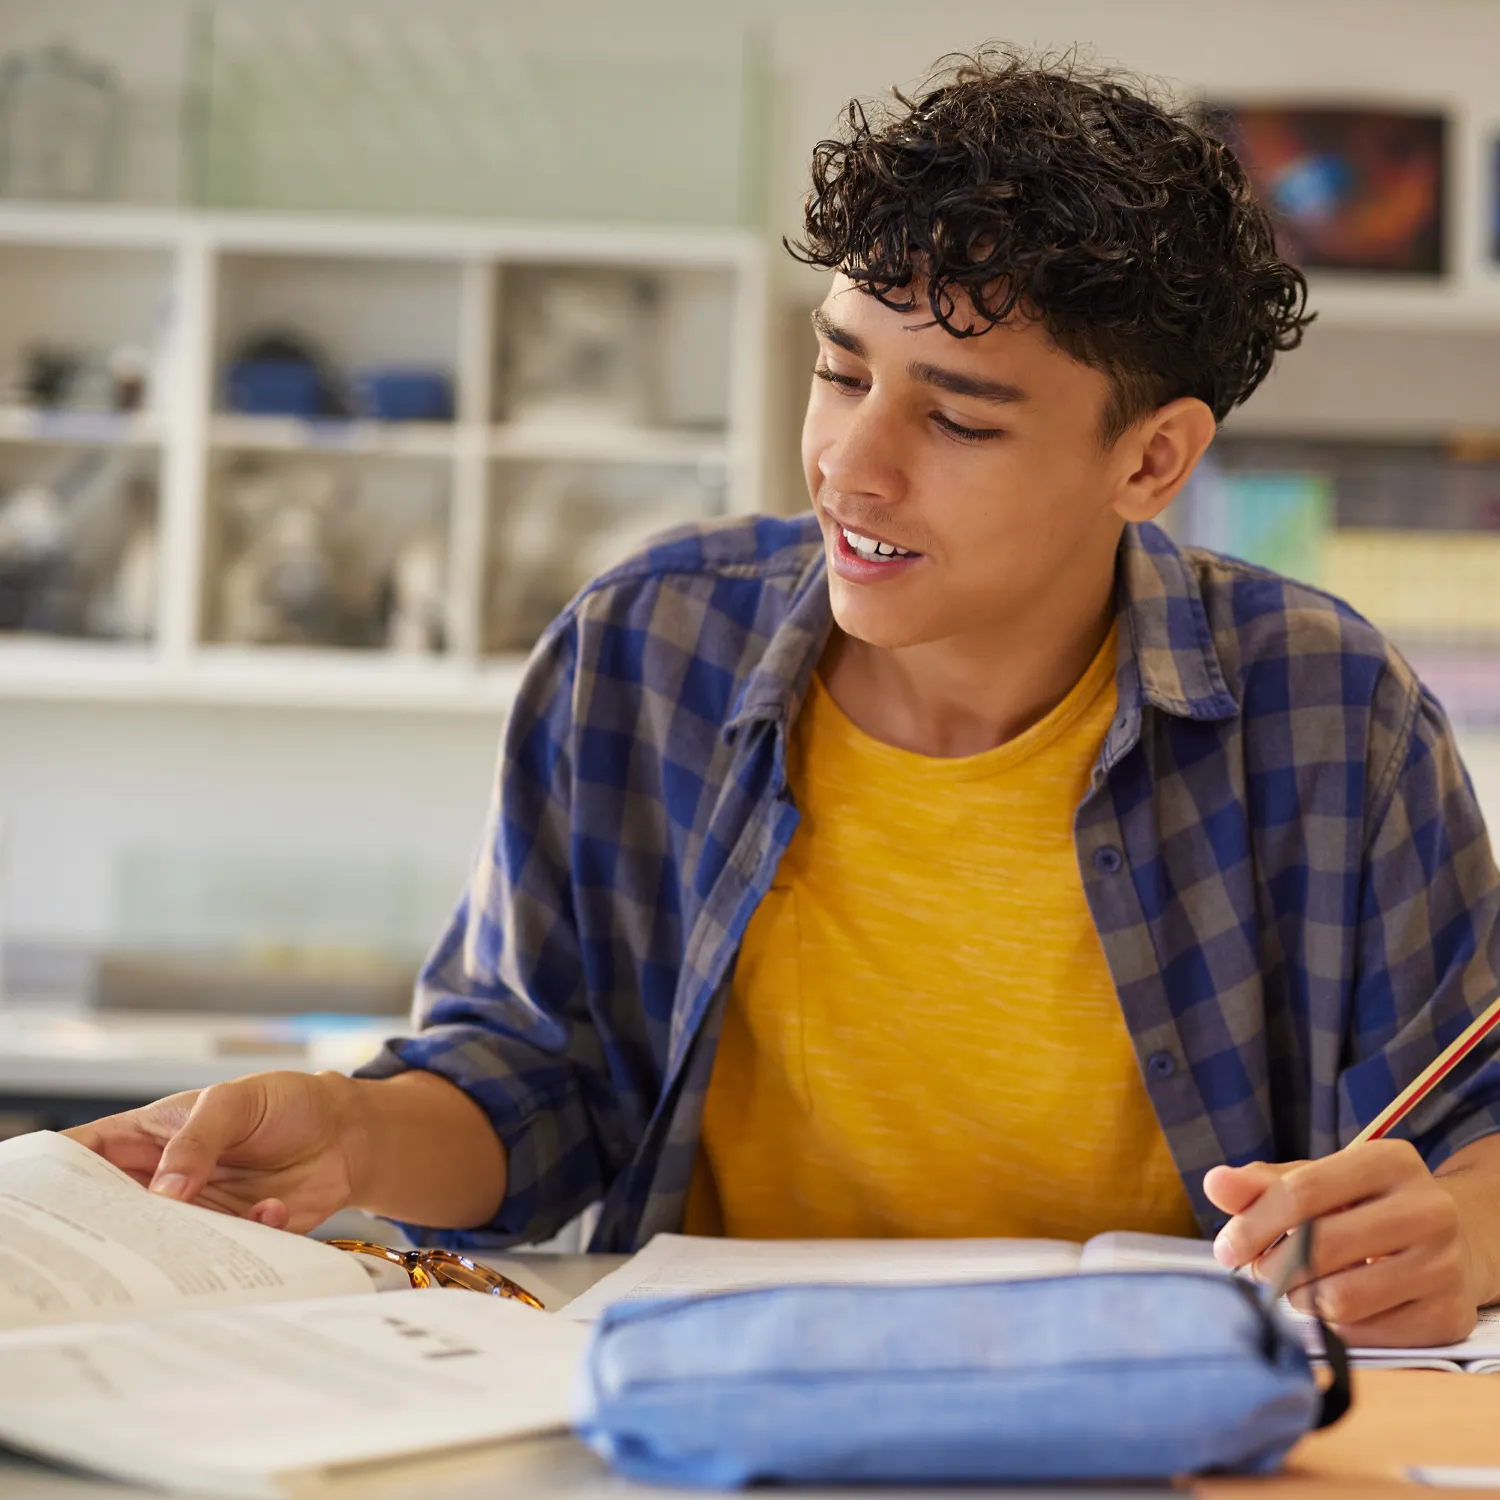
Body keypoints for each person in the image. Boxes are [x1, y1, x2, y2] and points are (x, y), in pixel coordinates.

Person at [70, 50, 1500, 1348]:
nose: (851, 468)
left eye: (957, 418)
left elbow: (1470, 1126)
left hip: (1158, 1425)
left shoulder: (1328, 712)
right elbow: (532, 1082)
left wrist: (1447, 1230)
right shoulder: (646, 649)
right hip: (720, 1413)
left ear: (1151, 462)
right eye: (839, 370)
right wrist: (353, 1135)